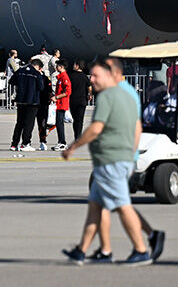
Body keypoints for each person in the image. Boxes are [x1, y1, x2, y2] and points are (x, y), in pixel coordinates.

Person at [61, 58, 153, 265]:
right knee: (95, 206)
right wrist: (132, 153)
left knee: (122, 205)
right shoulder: (129, 95)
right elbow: (137, 126)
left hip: (111, 160)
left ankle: (141, 250)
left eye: (95, 75)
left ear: (110, 76)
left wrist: (73, 147)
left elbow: (96, 128)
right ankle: (81, 251)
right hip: (120, 158)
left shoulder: (107, 96)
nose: (91, 79)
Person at [10, 58, 44, 152]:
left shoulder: (20, 71)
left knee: (19, 123)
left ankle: (14, 144)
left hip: (20, 100)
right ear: (38, 67)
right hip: (32, 101)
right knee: (29, 123)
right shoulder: (36, 73)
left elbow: (11, 81)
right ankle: (25, 143)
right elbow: (41, 87)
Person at [68, 60, 91, 140]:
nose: (73, 66)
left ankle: (76, 136)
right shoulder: (85, 77)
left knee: (75, 119)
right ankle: (79, 136)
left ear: (77, 66)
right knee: (80, 119)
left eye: (74, 65)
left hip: (73, 100)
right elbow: (90, 87)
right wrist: (90, 95)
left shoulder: (70, 76)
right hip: (82, 100)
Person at [52, 61, 71, 150]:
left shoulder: (64, 77)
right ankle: (61, 141)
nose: (56, 67)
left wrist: (57, 97)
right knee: (58, 123)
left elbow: (67, 92)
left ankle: (62, 142)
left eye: (57, 66)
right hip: (59, 104)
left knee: (59, 123)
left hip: (62, 104)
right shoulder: (61, 77)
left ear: (61, 67)